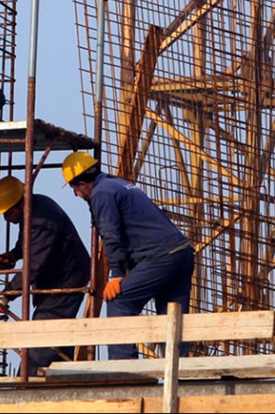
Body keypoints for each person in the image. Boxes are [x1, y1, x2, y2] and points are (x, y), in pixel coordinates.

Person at [61, 151, 195, 360]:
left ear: (82, 184)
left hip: (160, 256)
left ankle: (124, 371)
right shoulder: (115, 184)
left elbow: (111, 236)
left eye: (74, 188)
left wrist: (117, 275)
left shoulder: (101, 194)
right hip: (180, 253)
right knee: (171, 317)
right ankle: (181, 372)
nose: (76, 195)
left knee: (119, 301)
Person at [0, 175, 90, 376]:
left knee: (42, 337)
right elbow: (28, 242)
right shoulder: (34, 208)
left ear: (18, 204)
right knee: (58, 336)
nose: (5, 218)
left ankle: (27, 386)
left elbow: (34, 265)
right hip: (61, 278)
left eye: (7, 213)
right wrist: (14, 254)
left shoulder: (39, 218)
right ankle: (59, 381)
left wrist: (4, 297)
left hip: (65, 280)